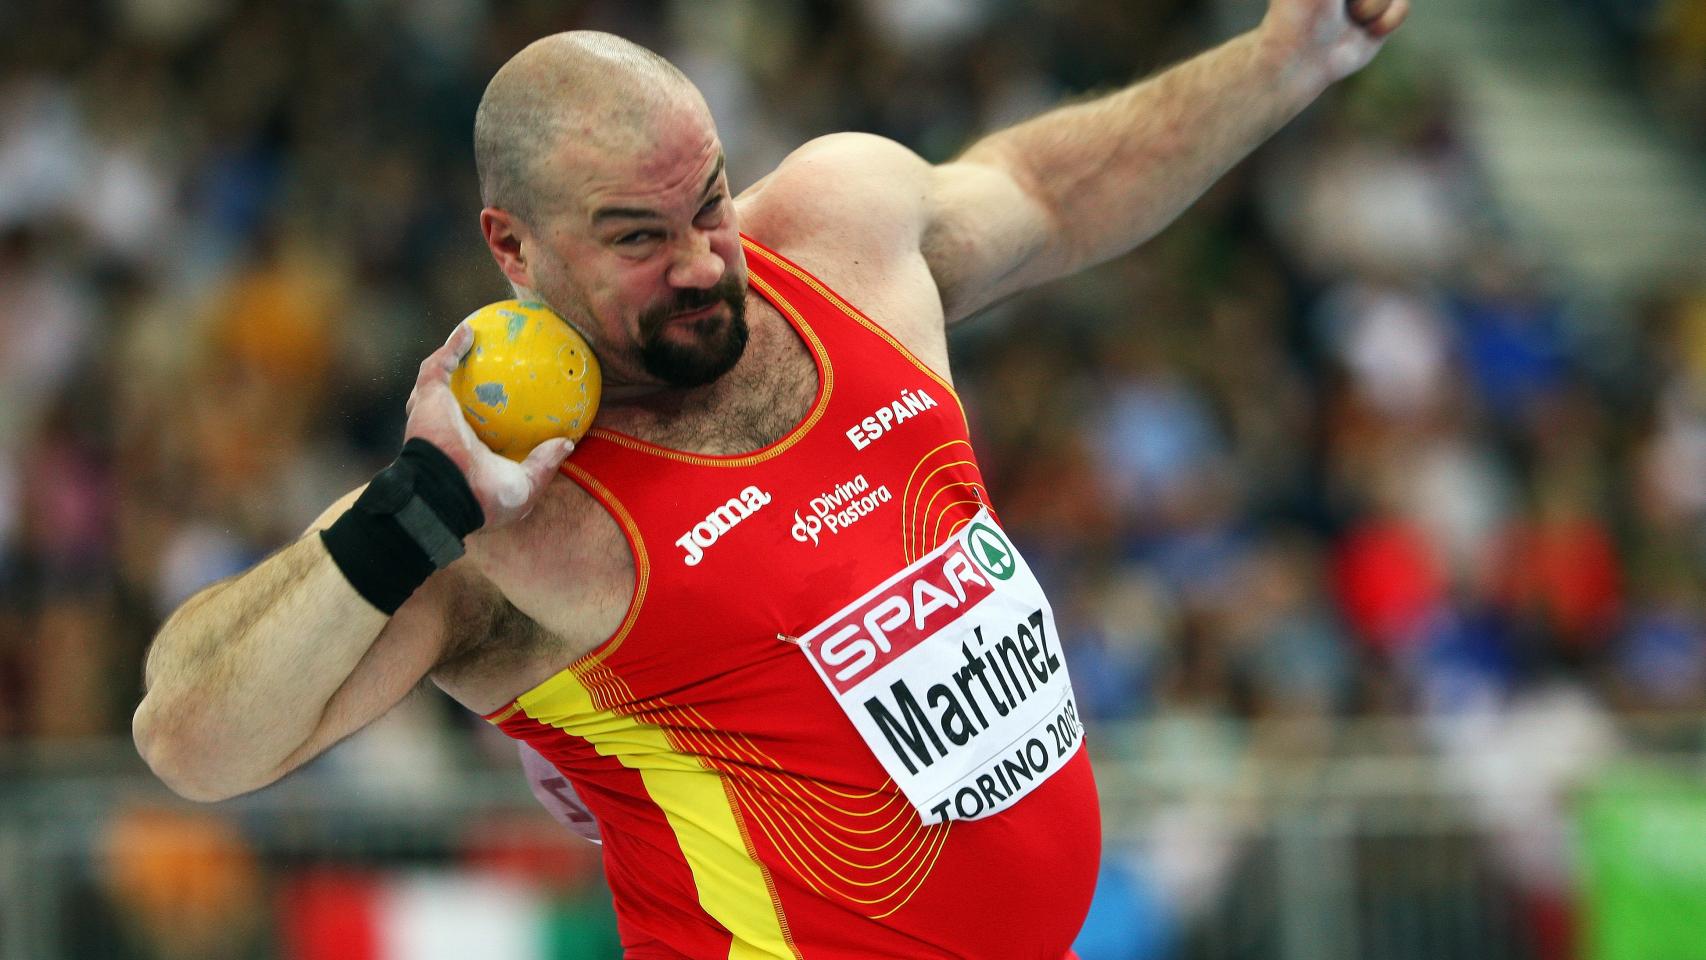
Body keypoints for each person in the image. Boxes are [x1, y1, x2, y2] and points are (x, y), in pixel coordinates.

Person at [133, 1, 1407, 956]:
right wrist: (411, 510)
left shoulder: (839, 237)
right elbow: (189, 741)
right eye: (638, 237)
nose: (700, 262)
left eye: (708, 205)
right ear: (511, 247)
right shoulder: (510, 514)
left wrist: (1288, 55)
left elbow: (1046, 188)